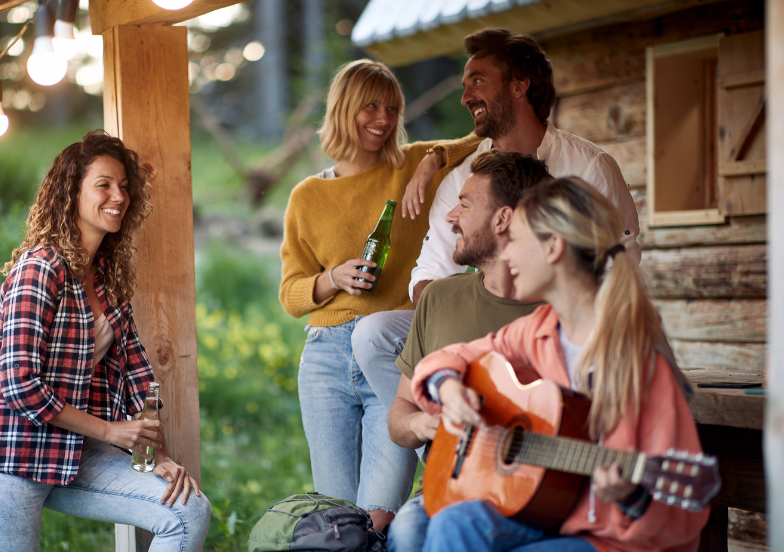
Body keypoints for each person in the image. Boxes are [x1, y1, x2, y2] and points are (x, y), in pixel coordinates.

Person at [410, 177, 707, 552]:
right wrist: (448, 387)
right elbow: (449, 357)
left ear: (553, 247)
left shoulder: (640, 363)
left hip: (614, 540)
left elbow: (680, 515)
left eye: (515, 240)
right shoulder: (539, 330)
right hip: (551, 515)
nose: (506, 255)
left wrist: (631, 497)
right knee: (455, 522)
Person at [352, 28, 641, 412]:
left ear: (520, 85)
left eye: (477, 81)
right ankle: (447, 445)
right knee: (374, 333)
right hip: (474, 323)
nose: (465, 96)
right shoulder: (461, 178)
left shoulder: (589, 168)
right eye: (465, 83)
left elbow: (622, 267)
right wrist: (462, 317)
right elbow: (427, 276)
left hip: (561, 329)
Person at [0, 131, 210, 552]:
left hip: (71, 457)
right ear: (71, 194)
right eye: (104, 184)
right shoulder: (39, 270)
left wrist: (159, 454)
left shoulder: (107, 278)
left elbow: (138, 379)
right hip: (6, 460)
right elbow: (20, 386)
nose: (119, 196)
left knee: (186, 511)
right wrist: (111, 431)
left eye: (125, 186)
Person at [279, 59, 482, 530]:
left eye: (392, 108)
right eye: (370, 105)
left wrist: (429, 162)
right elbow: (290, 295)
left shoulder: (411, 163)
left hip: (390, 354)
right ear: (343, 108)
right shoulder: (306, 196)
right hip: (325, 358)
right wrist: (333, 277)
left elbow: (478, 140)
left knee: (378, 517)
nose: (384, 118)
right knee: (335, 521)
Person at [382, 150, 551, 552]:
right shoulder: (438, 298)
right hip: (449, 485)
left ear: (503, 219)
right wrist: (423, 426)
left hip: (536, 496)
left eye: (464, 203)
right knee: (406, 534)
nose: (450, 217)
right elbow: (399, 412)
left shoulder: (556, 311)